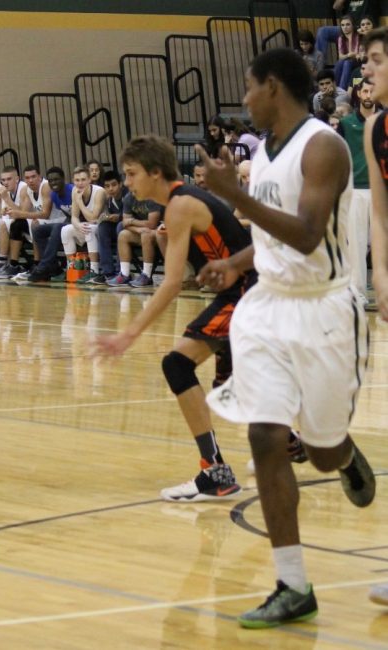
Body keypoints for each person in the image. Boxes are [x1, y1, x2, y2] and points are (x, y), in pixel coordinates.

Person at [196, 47, 374, 628]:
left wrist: (235, 198)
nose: (244, 100)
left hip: (324, 312)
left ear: (273, 87)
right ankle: (292, 585)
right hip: (266, 308)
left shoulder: (323, 146)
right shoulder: (265, 156)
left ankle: (343, 454)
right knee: (267, 436)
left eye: (249, 88)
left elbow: (304, 235)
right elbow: (275, 242)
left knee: (319, 451)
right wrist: (238, 261)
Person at [93, 134, 257, 504]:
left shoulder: (180, 205)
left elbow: (171, 284)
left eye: (132, 174)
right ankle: (292, 443)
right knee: (229, 385)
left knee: (177, 364)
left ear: (155, 172)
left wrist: (128, 335)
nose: (129, 181)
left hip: (248, 294)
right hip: (243, 293)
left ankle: (215, 471)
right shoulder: (182, 203)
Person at [363, 25, 388, 607]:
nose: (367, 71)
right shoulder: (375, 127)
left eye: (379, 60)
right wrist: (381, 276)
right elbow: (381, 215)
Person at [337, 77, 379, 303]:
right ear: (358, 94)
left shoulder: (385, 121)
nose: (368, 95)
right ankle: (357, 292)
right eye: (365, 90)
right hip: (355, 190)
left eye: (372, 90)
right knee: (357, 243)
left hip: (381, 190)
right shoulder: (346, 124)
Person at [60, 165, 106, 283]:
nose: (80, 183)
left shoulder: (99, 191)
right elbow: (74, 217)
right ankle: (71, 268)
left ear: (89, 180)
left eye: (83, 180)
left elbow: (93, 217)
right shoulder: (75, 191)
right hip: (86, 225)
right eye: (77, 180)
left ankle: (94, 271)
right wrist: (78, 225)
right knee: (65, 230)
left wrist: (80, 202)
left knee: (88, 228)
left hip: (102, 227)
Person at [106, 193, 162, 288]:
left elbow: (152, 224)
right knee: (123, 235)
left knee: (146, 235)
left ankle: (147, 275)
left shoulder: (153, 196)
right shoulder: (128, 197)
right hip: (142, 231)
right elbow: (125, 223)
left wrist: (132, 221)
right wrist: (138, 229)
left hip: (160, 232)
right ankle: (124, 274)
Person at [335, 14, 360, 91]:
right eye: (342, 25)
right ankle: (335, 87)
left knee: (346, 62)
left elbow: (356, 54)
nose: (345, 27)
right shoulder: (341, 38)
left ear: (353, 25)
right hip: (348, 61)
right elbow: (340, 56)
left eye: (348, 24)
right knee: (340, 62)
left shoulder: (358, 36)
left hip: (358, 61)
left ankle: (341, 90)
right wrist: (348, 55)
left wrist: (347, 55)